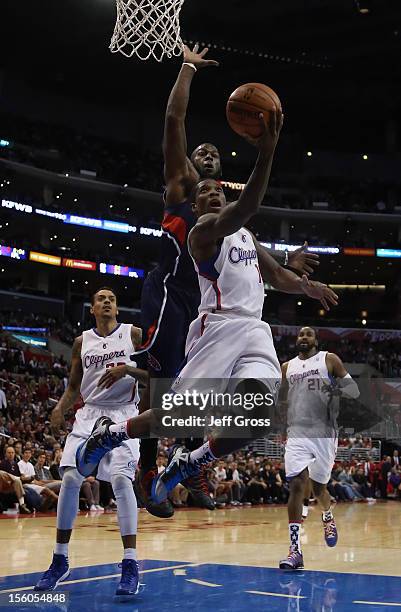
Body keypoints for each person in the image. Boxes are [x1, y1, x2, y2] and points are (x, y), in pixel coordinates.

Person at [76, 112, 338, 507]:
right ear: (196, 208)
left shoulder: (245, 235)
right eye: (204, 194)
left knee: (256, 419)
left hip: (255, 331)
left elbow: (278, 276)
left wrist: (306, 287)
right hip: (218, 329)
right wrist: (266, 152)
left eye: (219, 191)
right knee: (177, 417)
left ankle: (191, 461)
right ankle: (112, 434)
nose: (213, 194)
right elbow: (247, 205)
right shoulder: (203, 234)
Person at [135, 44, 320, 517]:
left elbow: (251, 251)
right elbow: (175, 122)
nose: (210, 154)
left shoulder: (227, 214)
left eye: (216, 151)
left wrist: (285, 270)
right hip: (171, 292)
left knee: (211, 396)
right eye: (204, 151)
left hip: (208, 303)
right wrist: (188, 69)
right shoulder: (182, 181)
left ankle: (191, 467)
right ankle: (145, 472)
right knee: (164, 383)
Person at [35, 287, 147, 602]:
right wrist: (59, 409)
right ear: (92, 309)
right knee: (70, 478)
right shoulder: (81, 343)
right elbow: (73, 387)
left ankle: (130, 562)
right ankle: (60, 559)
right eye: (100, 298)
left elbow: (157, 372)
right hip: (89, 416)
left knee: (123, 482)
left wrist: (129, 370)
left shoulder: (133, 335)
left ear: (118, 309)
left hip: (124, 414)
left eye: (112, 298)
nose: (107, 301)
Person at [279, 326, 360, 570]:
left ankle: (327, 514)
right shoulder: (287, 367)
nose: (303, 337)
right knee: (296, 485)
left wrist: (336, 389)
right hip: (297, 432)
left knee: (318, 489)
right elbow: (282, 398)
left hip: (325, 434)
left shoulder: (329, 359)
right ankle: (295, 551)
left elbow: (354, 391)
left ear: (316, 340)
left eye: (308, 334)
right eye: (301, 335)